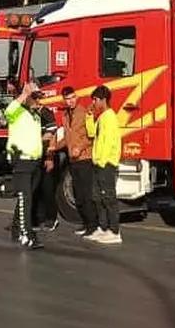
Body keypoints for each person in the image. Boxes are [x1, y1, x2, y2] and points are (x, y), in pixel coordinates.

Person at [4, 82, 46, 249]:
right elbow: (8, 112)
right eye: (35, 98)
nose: (38, 101)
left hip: (34, 162)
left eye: (39, 98)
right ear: (27, 97)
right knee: (25, 199)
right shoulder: (17, 112)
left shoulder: (35, 115)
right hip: (22, 161)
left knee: (27, 199)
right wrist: (24, 94)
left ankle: (17, 229)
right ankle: (26, 235)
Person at [86, 85, 123, 245]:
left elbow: (109, 142)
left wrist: (102, 160)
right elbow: (93, 133)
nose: (93, 103)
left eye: (95, 100)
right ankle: (103, 227)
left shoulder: (110, 117)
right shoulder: (102, 117)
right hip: (98, 162)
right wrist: (89, 117)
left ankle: (114, 231)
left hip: (106, 163)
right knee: (97, 196)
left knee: (108, 197)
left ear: (103, 100)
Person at [61, 87, 99, 238]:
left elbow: (91, 136)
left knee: (86, 193)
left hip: (84, 158)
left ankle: (93, 225)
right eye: (67, 98)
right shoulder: (65, 115)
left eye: (72, 97)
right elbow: (67, 138)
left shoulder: (83, 113)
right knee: (78, 194)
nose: (70, 101)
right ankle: (86, 223)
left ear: (76, 97)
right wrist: (54, 147)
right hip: (73, 159)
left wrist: (80, 148)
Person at [35, 104, 61, 231]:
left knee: (47, 188)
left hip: (46, 156)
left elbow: (52, 136)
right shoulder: (32, 113)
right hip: (36, 155)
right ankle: (40, 218)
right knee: (37, 188)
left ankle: (51, 218)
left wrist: (50, 157)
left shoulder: (45, 113)